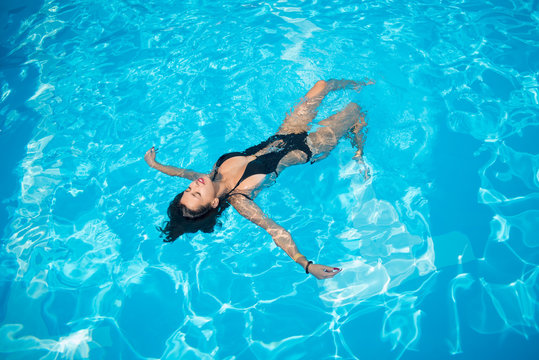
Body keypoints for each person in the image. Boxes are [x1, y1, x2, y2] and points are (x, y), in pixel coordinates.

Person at [144, 79, 371, 280]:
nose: (194, 185)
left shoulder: (209, 176)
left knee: (323, 85)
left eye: (188, 189)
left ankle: (361, 85)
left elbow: (180, 172)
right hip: (309, 149)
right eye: (197, 194)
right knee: (355, 110)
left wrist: (156, 165)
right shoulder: (240, 200)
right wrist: (306, 265)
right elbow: (275, 230)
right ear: (213, 203)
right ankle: (358, 144)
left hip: (285, 133)